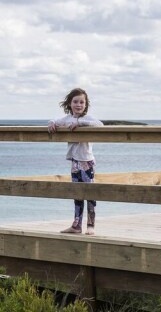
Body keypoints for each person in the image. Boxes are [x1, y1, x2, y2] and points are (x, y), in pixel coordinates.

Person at [48, 88, 103, 235]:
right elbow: (55, 121)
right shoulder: (67, 119)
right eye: (75, 102)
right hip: (75, 162)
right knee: (77, 193)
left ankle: (91, 225)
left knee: (90, 194)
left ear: (86, 105)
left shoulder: (88, 119)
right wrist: (52, 124)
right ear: (69, 103)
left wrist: (80, 123)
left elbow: (99, 124)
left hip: (87, 162)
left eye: (82, 102)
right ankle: (76, 225)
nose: (78, 105)